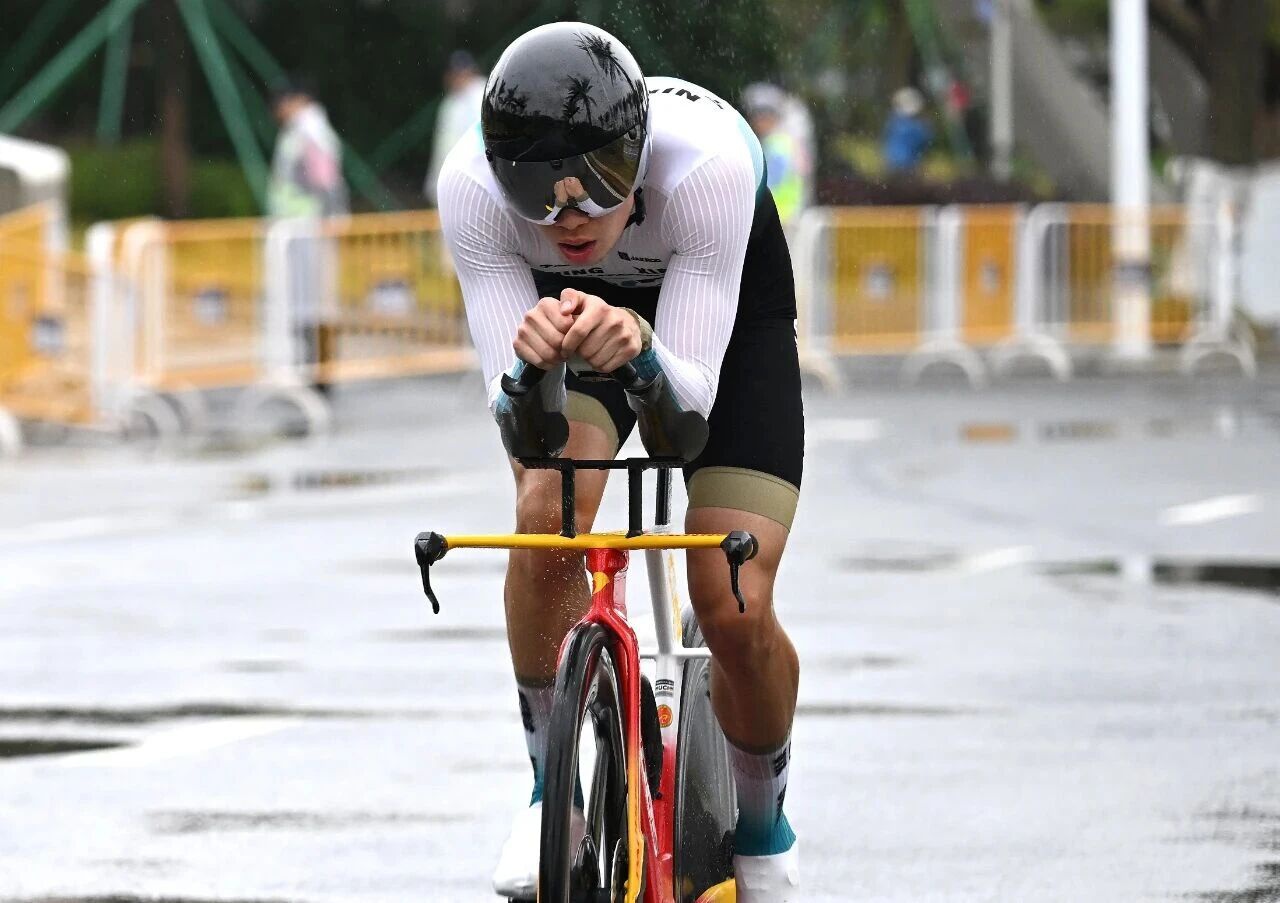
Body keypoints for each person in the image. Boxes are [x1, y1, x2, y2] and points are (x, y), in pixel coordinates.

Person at [437, 23, 803, 901]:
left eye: (600, 184)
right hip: (572, 316)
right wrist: (527, 372)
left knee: (731, 597)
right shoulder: (470, 191)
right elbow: (525, 437)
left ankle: (764, 828)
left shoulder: (706, 169)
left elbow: (685, 428)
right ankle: (549, 792)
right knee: (545, 516)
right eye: (535, 194)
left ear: (638, 156)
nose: (568, 216)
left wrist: (639, 347)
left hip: (719, 326)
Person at [268, 77, 348, 395]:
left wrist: (331, 221)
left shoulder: (309, 131)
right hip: (299, 230)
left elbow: (326, 182)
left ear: (297, 100)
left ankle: (320, 375)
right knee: (306, 302)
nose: (278, 111)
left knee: (316, 303)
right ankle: (310, 369)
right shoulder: (300, 130)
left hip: (311, 229)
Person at [423, 51, 488, 206]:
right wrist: (434, 184)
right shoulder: (450, 103)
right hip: (453, 181)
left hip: (477, 180)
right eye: (456, 73)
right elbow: (442, 148)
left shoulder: (482, 94)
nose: (459, 77)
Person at [746, 89, 806, 229]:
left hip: (777, 217)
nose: (755, 122)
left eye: (759, 116)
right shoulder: (784, 141)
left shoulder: (775, 146)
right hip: (785, 215)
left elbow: (767, 183)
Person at [882, 85, 933, 174]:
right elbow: (927, 140)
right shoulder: (917, 126)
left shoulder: (893, 120)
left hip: (892, 164)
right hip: (908, 166)